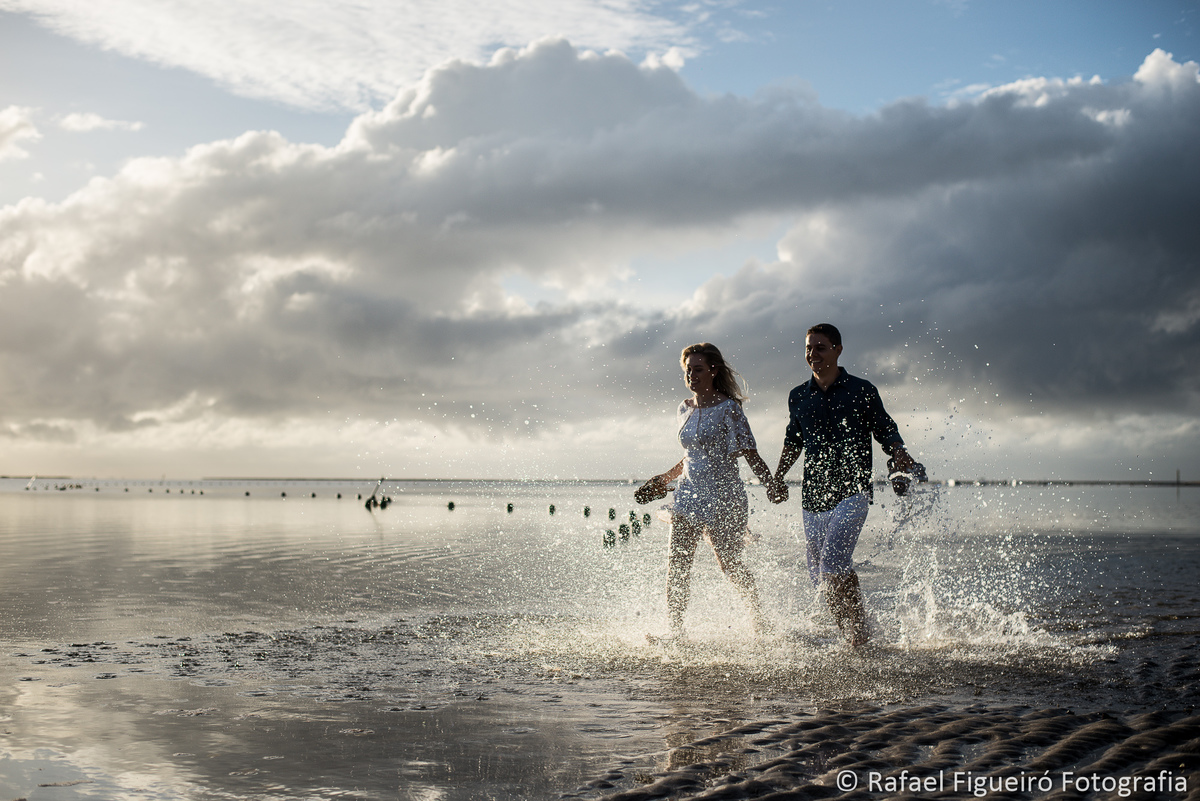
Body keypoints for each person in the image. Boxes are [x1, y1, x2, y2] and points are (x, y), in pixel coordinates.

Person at [766, 324, 916, 647]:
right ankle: (856, 632)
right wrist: (778, 477)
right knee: (823, 576)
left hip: (853, 491)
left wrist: (900, 453)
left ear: (838, 349)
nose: (812, 354)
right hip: (814, 497)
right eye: (808, 348)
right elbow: (793, 441)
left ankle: (858, 634)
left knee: (832, 563)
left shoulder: (862, 390)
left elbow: (885, 428)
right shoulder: (798, 396)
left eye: (820, 347)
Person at [637, 343, 774, 641]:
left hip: (723, 497)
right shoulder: (683, 408)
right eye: (688, 370)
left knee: (729, 565)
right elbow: (690, 455)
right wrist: (665, 478)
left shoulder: (729, 409)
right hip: (688, 495)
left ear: (713, 370)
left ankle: (760, 618)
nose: (691, 375)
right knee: (678, 564)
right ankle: (675, 632)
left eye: (697, 369)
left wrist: (771, 483)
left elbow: (751, 452)